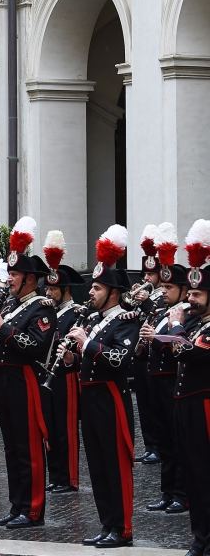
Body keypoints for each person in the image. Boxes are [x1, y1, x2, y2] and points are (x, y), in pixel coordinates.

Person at [62, 224, 139, 548]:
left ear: (113, 292)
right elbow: (89, 358)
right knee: (96, 464)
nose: (90, 293)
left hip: (111, 399)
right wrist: (70, 359)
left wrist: (87, 343)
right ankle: (107, 523)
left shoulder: (126, 321)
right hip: (90, 399)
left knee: (115, 463)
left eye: (96, 288)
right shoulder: (92, 321)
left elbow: (119, 359)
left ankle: (122, 528)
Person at [0, 217, 55, 530]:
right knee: (11, 447)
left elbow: (36, 346)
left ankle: (33, 509)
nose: (9, 279)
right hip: (4, 383)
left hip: (24, 381)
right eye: (9, 273)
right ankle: (16, 505)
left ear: (29, 277)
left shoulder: (41, 307)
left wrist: (3, 328)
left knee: (28, 447)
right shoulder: (13, 305)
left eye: (14, 273)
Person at [164, 219, 210, 556]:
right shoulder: (194, 322)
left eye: (196, 294)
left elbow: (195, 353)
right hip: (185, 404)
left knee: (205, 473)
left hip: (204, 406)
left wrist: (176, 330)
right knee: (193, 473)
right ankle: (200, 536)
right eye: (189, 293)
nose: (190, 299)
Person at [139, 247, 189, 514]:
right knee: (164, 441)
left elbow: (180, 346)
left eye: (171, 287)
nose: (165, 291)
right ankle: (167, 491)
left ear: (182, 289)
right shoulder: (161, 312)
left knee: (176, 439)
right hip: (155, 382)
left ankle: (181, 493)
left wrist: (154, 340)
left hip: (173, 382)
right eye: (164, 285)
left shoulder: (186, 315)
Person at [40, 232, 87, 494]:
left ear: (65, 290)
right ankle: (55, 475)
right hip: (47, 374)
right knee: (49, 426)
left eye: (53, 289)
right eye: (47, 288)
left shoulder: (77, 313)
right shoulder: (47, 311)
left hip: (67, 375)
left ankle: (68, 478)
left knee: (65, 429)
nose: (49, 292)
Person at [133, 224, 164, 465]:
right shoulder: (144, 294)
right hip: (140, 355)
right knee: (143, 402)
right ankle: (149, 443)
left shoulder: (164, 296)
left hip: (157, 357)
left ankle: (158, 445)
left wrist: (143, 303)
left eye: (151, 275)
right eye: (145, 274)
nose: (146, 279)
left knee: (155, 404)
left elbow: (157, 317)